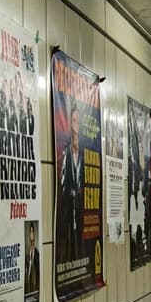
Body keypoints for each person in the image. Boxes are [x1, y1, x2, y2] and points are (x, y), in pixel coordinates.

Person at [57, 102, 84, 265]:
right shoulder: (66, 153)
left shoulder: (84, 154)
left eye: (78, 121)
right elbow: (62, 184)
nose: (76, 124)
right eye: (74, 120)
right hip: (69, 210)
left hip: (80, 209)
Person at [24, 222, 40, 297]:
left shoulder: (36, 252)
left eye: (32, 232)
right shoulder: (27, 250)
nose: (31, 235)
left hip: (34, 282)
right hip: (27, 282)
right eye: (30, 232)